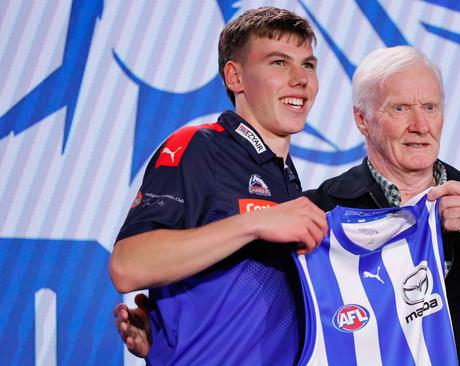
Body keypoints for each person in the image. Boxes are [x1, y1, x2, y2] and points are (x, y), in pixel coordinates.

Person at [115, 46, 460, 365]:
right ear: (362, 119)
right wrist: (169, 341)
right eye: (400, 109)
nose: (420, 126)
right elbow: (271, 331)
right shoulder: (316, 214)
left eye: (431, 107)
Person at [109, 7, 327, 365]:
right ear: (234, 77)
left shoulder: (286, 177)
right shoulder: (200, 147)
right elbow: (127, 265)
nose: (300, 79)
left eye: (308, 64)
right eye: (278, 62)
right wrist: (257, 223)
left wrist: (167, 336)